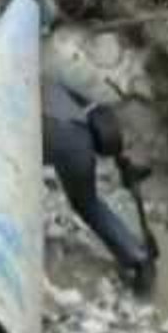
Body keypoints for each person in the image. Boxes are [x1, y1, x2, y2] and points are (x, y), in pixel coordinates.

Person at [42, 78, 158, 295]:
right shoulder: (55, 82)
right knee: (87, 203)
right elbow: (99, 116)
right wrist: (122, 161)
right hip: (81, 142)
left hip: (52, 134)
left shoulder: (20, 81)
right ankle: (137, 257)